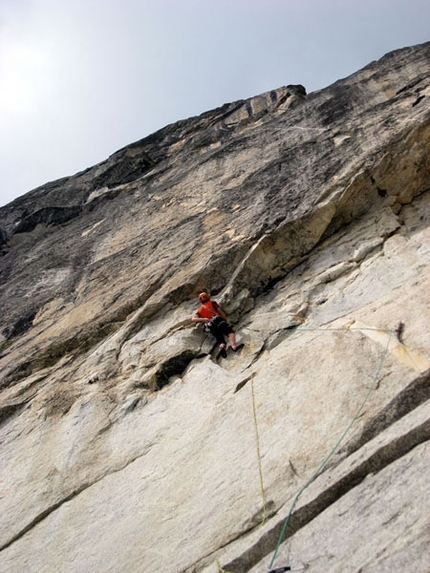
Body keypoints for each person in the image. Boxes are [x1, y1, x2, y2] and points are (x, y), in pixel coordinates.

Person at [192, 291, 243, 358]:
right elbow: (220, 312)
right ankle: (234, 346)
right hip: (218, 320)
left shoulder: (200, 310)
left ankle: (222, 347)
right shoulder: (212, 303)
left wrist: (203, 319)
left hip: (210, 325)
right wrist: (225, 319)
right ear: (208, 296)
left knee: (220, 339)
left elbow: (193, 319)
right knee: (230, 333)